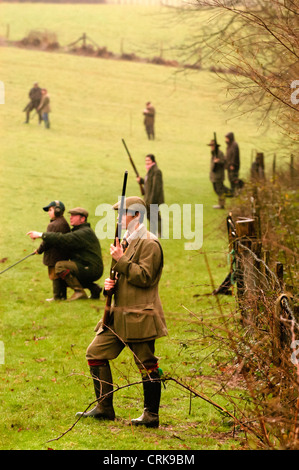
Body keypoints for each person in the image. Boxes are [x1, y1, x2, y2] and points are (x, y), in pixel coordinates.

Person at [76, 196, 168, 428]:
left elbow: (145, 277)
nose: (118, 218)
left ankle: (151, 416)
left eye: (122, 213)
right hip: (117, 316)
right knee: (95, 354)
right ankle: (104, 408)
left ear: (137, 215)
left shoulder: (150, 243)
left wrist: (121, 259)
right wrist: (111, 283)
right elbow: (124, 274)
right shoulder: (125, 241)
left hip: (140, 316)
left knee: (147, 364)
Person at [27, 207, 103, 301]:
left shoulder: (84, 232)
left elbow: (63, 239)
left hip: (91, 268)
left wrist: (40, 235)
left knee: (60, 266)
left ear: (82, 219)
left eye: (74, 216)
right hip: (88, 266)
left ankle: (79, 292)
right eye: (70, 215)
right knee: (65, 276)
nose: (71, 217)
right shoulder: (79, 230)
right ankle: (94, 289)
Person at [35, 200, 71, 301]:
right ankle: (63, 296)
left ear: (58, 210)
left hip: (54, 255)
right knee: (61, 276)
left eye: (50, 210)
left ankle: (56, 297)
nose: (49, 212)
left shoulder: (53, 225)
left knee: (54, 275)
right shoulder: (63, 222)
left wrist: (39, 250)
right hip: (62, 255)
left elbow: (47, 241)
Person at [136, 154, 164, 237]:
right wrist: (141, 180)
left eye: (148, 160)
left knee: (154, 215)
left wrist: (152, 200)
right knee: (149, 215)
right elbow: (147, 182)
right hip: (148, 198)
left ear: (153, 161)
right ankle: (154, 231)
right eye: (146, 160)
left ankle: (158, 232)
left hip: (153, 198)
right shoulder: (150, 170)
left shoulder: (156, 171)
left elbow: (156, 187)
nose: (147, 162)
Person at [208, 139, 228, 209]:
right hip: (214, 175)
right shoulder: (214, 153)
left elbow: (223, 162)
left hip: (218, 175)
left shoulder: (220, 153)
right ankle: (221, 203)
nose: (212, 147)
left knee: (220, 190)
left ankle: (221, 204)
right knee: (216, 189)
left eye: (213, 146)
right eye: (211, 146)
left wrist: (218, 161)